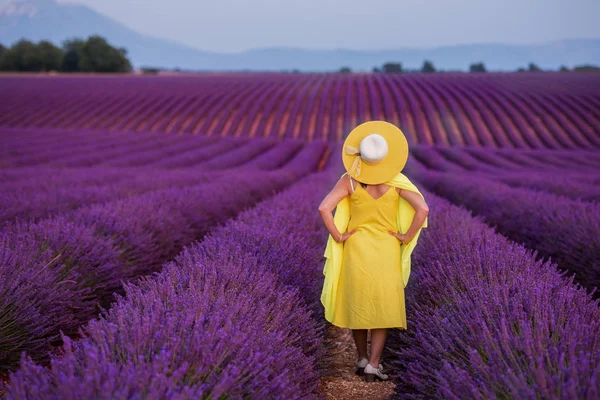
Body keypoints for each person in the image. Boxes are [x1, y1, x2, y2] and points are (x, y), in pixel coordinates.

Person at [318, 121, 429, 383]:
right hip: (386, 248)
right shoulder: (397, 182)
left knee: (359, 302)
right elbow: (423, 210)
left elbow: (324, 208)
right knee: (382, 306)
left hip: (356, 246)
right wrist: (405, 236)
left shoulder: (350, 181)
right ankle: (375, 365)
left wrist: (338, 235)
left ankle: (361, 358)